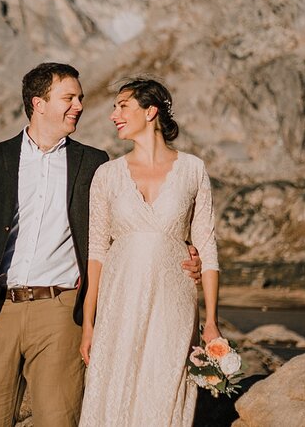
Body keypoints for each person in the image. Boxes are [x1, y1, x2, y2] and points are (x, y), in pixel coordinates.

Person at [0, 63, 202, 427]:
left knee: (59, 420)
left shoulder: (93, 163)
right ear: (38, 103)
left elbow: (121, 225)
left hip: (61, 311)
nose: (79, 106)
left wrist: (181, 247)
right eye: (69, 98)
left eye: (80, 98)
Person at [79, 78, 220, 427]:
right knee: (114, 390)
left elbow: (208, 245)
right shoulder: (107, 175)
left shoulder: (192, 169)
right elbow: (96, 249)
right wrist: (88, 320)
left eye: (122, 106)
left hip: (173, 302)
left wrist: (212, 322)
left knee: (164, 391)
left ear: (150, 111)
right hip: (118, 300)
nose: (113, 115)